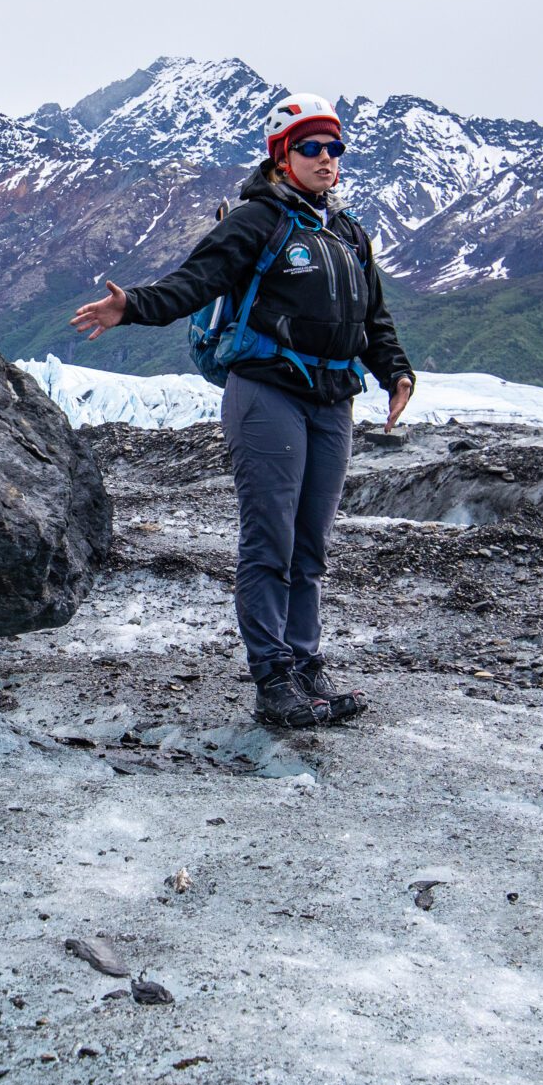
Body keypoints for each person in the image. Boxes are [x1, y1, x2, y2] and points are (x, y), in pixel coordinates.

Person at [70, 93, 416, 729]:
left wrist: (394, 371)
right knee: (270, 540)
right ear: (283, 156)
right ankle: (273, 678)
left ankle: (306, 668)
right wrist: (133, 306)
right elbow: (196, 281)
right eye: (312, 147)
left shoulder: (347, 232)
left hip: (333, 401)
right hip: (268, 395)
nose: (326, 159)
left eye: (334, 148)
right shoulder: (258, 220)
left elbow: (373, 317)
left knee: (311, 544)